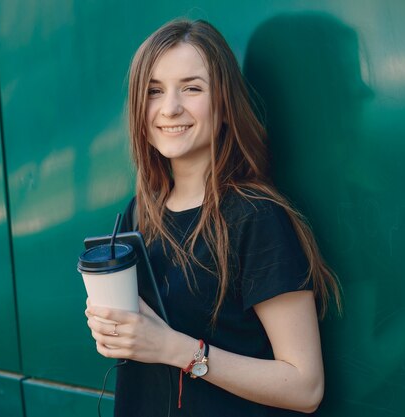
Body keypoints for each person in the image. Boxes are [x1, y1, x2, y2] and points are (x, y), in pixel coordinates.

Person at [84, 18, 341, 417]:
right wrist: (116, 331)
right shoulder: (142, 212)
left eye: (192, 87)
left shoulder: (256, 217)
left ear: (223, 104)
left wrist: (177, 349)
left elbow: (305, 386)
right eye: (154, 91)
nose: (170, 107)